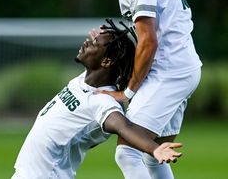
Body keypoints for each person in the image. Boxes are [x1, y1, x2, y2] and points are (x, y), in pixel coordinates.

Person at [69, 0, 203, 179]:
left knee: (126, 153)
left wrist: (128, 93)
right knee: (152, 156)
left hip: (169, 72)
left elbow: (149, 41)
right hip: (180, 68)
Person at [11, 19, 183, 179]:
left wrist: (155, 149)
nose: (87, 42)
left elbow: (124, 127)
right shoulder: (84, 80)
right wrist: (101, 42)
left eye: (94, 44)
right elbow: (110, 58)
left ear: (107, 62)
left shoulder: (102, 101)